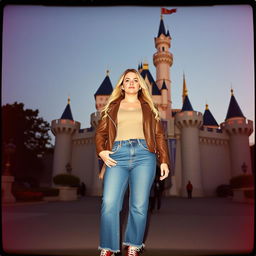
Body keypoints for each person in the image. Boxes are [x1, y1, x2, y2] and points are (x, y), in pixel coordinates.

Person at [95, 68, 170, 256]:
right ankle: (108, 247)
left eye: (135, 80)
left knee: (139, 203)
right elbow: (101, 133)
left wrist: (164, 160)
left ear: (140, 85)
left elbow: (159, 135)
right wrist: (101, 151)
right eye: (127, 80)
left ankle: (134, 245)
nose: (130, 83)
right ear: (121, 85)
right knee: (109, 202)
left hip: (145, 154)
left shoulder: (148, 107)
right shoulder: (111, 107)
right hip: (117, 155)